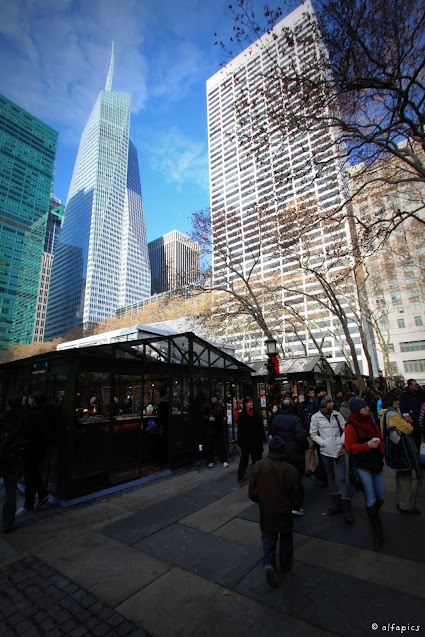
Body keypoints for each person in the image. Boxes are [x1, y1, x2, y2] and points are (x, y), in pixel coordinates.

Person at [249, 435, 302, 589]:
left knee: (267, 538)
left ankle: (269, 563)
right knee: (285, 538)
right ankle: (285, 565)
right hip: (284, 512)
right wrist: (293, 506)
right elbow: (296, 497)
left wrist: (263, 500)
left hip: (266, 511)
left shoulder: (259, 466)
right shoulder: (291, 470)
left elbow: (252, 493)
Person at [345, 397, 385, 550]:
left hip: (376, 463)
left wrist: (381, 450)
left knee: (380, 496)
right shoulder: (351, 427)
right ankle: (377, 532)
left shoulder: (371, 421)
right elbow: (349, 447)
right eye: (364, 407)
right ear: (357, 410)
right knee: (371, 497)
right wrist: (366, 445)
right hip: (363, 465)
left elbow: (380, 437)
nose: (367, 408)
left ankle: (373, 515)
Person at [310, 395, 352, 522]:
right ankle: (336, 503)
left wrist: (341, 441)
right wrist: (323, 443)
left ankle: (346, 507)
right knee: (330, 477)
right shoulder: (316, 417)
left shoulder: (337, 415)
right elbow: (313, 433)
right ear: (324, 404)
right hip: (326, 451)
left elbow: (345, 428)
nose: (332, 404)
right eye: (329, 402)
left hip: (339, 450)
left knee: (342, 477)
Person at [380, 393, 421, 515]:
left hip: (392, 449)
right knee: (405, 476)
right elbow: (408, 429)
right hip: (401, 449)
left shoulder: (384, 414)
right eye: (396, 400)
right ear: (391, 402)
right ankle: (405, 505)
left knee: (400, 474)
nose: (398, 402)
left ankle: (402, 501)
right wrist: (408, 422)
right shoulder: (393, 414)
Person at [271, 398, 308, 516]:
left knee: (284, 477)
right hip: (295, 452)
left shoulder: (276, 419)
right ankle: (295, 505)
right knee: (296, 478)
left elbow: (273, 435)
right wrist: (305, 445)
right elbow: (300, 437)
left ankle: (284, 501)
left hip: (282, 453)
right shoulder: (295, 420)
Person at [16, 391, 50, 516]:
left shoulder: (31, 414)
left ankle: (29, 503)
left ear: (33, 399)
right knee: (33, 472)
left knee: (30, 474)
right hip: (40, 447)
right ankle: (42, 494)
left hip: (31, 447)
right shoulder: (47, 412)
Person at [0, 396, 24, 533]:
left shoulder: (3, 419)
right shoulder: (22, 419)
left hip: (5, 455)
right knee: (11, 490)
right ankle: (7, 522)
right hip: (13, 456)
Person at [237, 397, 266, 484]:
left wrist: (263, 437)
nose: (251, 404)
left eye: (252, 402)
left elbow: (260, 426)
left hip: (256, 440)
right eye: (249, 402)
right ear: (246, 404)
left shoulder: (256, 413)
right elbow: (240, 429)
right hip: (246, 441)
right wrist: (240, 441)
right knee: (244, 459)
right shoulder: (242, 414)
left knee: (258, 458)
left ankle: (260, 474)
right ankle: (240, 476)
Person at [200, 392, 229, 468]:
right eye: (214, 398)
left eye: (216, 398)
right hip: (209, 427)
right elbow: (202, 414)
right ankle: (210, 461)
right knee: (210, 444)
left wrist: (224, 417)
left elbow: (223, 413)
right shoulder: (206, 405)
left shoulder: (219, 405)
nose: (215, 399)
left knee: (221, 444)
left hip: (218, 426)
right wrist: (208, 418)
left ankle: (223, 460)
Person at [399, 379, 425, 450]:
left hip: (422, 419)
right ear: (410, 386)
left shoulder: (421, 393)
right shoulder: (404, 395)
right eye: (415, 385)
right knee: (417, 441)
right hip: (413, 421)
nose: (417, 386)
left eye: (417, 385)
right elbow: (404, 410)